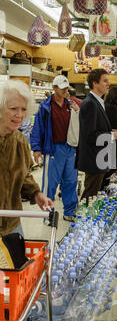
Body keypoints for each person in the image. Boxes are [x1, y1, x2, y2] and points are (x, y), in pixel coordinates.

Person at [0, 80, 53, 236]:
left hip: (12, 223)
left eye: (23, 109)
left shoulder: (19, 140)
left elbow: (23, 175)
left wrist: (36, 194)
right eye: (13, 108)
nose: (20, 115)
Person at [30, 75, 79, 222]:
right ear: (54, 88)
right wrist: (36, 149)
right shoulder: (45, 107)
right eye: (62, 88)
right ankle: (48, 214)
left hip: (70, 148)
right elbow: (38, 128)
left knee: (71, 181)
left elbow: (79, 126)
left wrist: (77, 111)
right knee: (50, 183)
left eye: (66, 88)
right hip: (53, 149)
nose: (65, 91)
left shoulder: (71, 105)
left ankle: (69, 212)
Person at [76, 69, 117, 200]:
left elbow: (96, 130)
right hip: (94, 160)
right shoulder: (90, 104)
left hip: (99, 160)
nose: (108, 84)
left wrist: (110, 132)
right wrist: (112, 136)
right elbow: (90, 136)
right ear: (94, 83)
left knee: (93, 197)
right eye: (105, 81)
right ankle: (83, 220)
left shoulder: (97, 102)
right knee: (89, 197)